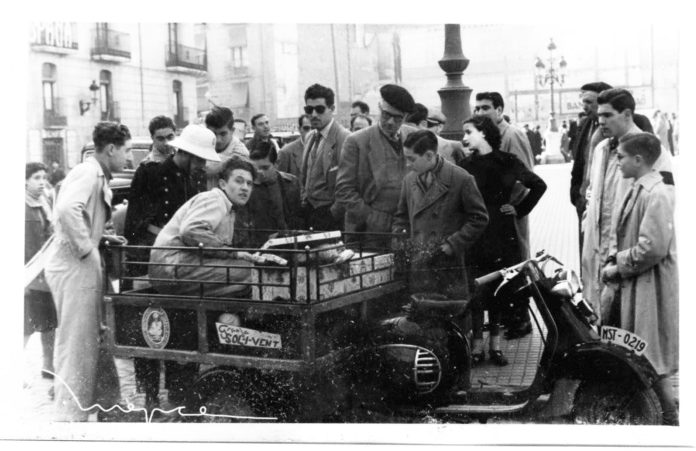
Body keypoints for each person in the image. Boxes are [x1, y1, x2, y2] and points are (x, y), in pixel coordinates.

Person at [123, 124, 220, 409]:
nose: (202, 166)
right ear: (186, 153)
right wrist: (167, 238)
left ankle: (180, 396)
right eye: (199, 159)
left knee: (183, 329)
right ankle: (152, 398)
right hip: (148, 262)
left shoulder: (195, 181)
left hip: (182, 263)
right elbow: (135, 223)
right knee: (151, 332)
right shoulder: (150, 174)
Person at [44, 122, 132, 422]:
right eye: (127, 151)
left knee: (93, 338)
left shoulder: (96, 173)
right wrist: (87, 248)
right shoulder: (87, 172)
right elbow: (67, 209)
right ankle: (69, 419)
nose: (128, 158)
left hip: (79, 262)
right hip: (74, 264)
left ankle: (105, 405)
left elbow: (78, 213)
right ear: (111, 149)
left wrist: (101, 238)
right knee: (77, 343)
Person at [600, 132, 678, 425]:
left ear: (638, 159)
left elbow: (652, 248)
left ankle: (669, 420)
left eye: (620, 157)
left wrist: (618, 265)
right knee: (643, 353)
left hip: (649, 287)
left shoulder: (655, 193)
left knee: (647, 356)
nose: (617, 162)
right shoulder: (640, 187)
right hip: (639, 284)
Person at [581, 88, 673, 324]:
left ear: (627, 114)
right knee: (604, 323)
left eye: (608, 115)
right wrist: (587, 220)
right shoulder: (601, 149)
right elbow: (593, 191)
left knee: (632, 329)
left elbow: (664, 202)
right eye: (599, 115)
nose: (600, 121)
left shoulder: (653, 150)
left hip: (631, 259)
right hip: (600, 254)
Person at [460, 116, 547, 364]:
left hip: (496, 232)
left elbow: (538, 185)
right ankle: (478, 347)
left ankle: (494, 346)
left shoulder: (505, 161)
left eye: (469, 132)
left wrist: (519, 209)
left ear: (484, 133)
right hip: (481, 232)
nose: (464, 137)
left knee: (496, 289)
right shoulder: (467, 164)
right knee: (477, 290)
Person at [392, 128, 488, 325]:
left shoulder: (461, 179)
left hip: (447, 266)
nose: (408, 164)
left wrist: (453, 244)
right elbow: (400, 217)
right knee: (421, 325)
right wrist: (401, 241)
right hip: (419, 265)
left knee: (451, 325)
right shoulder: (409, 180)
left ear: (429, 155)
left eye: (411, 159)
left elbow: (479, 218)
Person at [149, 157, 270, 297]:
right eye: (239, 181)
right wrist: (233, 253)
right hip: (172, 266)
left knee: (246, 269)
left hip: (175, 266)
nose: (245, 188)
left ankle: (227, 316)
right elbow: (191, 231)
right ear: (223, 184)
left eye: (249, 184)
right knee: (251, 272)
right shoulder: (215, 199)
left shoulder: (228, 207)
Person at [474, 91, 536, 338]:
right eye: (477, 108)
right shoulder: (491, 137)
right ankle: (509, 317)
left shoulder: (513, 135)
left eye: (485, 108)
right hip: (497, 218)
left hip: (509, 216)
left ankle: (521, 320)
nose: (480, 113)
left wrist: (509, 206)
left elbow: (525, 177)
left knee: (517, 264)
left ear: (499, 110)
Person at [335, 84, 417, 238]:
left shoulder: (414, 136)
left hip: (406, 228)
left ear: (406, 117)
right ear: (379, 108)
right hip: (367, 231)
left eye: (398, 118)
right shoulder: (357, 141)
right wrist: (371, 218)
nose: (391, 122)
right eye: (386, 115)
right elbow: (344, 190)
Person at [300, 83, 350, 231]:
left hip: (330, 216)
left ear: (332, 109)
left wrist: (333, 214)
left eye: (320, 109)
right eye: (309, 110)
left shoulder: (344, 138)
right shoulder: (310, 137)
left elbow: (349, 185)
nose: (314, 114)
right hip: (309, 212)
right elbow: (305, 175)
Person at [25, 162, 57, 385]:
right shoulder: (22, 206)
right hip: (29, 274)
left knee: (48, 322)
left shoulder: (44, 201)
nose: (41, 182)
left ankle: (48, 365)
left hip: (45, 272)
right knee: (24, 326)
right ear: (24, 181)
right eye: (36, 177)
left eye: (43, 177)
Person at [570, 82, 613, 228]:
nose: (584, 106)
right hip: (583, 202)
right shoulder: (585, 125)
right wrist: (576, 195)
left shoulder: (615, 126)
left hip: (606, 205)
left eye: (589, 102)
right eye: (583, 102)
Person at [247, 140, 303, 247]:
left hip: (291, 243)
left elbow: (298, 217)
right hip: (262, 245)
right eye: (255, 168)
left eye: (265, 168)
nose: (260, 172)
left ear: (276, 164)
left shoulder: (292, 183)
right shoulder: (248, 188)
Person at [204, 106, 249, 189]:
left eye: (223, 134)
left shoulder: (241, 153)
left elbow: (209, 169)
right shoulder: (201, 146)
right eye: (213, 134)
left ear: (232, 131)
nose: (218, 140)